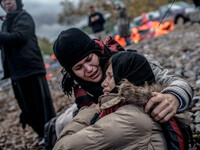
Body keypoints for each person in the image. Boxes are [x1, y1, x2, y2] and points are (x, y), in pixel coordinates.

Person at [47, 27, 193, 148]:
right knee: (60, 123)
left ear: (96, 52)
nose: (89, 69)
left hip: (127, 122)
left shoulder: (130, 62)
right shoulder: (80, 87)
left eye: (89, 59)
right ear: (72, 73)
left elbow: (178, 82)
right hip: (100, 117)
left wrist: (173, 97)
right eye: (79, 67)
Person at [0, 0, 56, 144]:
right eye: (4, 1)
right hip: (16, 72)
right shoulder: (6, 23)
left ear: (17, 1)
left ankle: (51, 132)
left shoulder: (24, 17)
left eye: (10, 0)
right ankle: (40, 132)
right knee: (27, 106)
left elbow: (19, 37)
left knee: (41, 104)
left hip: (31, 68)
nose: (7, 3)